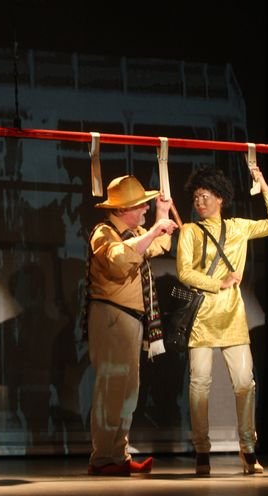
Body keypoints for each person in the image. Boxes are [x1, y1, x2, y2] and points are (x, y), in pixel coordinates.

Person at [176, 165, 268, 475]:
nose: (199, 202)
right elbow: (184, 272)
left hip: (232, 316)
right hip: (202, 316)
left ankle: (248, 448)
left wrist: (263, 183)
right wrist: (217, 282)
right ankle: (201, 449)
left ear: (220, 197)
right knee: (199, 384)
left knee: (245, 383)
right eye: (196, 197)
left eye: (205, 196)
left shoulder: (238, 227)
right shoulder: (190, 231)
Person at [85, 175, 177, 476]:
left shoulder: (134, 233)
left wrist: (162, 214)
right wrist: (152, 232)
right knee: (111, 389)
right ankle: (102, 459)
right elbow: (118, 261)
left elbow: (157, 245)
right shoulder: (104, 233)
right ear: (124, 209)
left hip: (130, 319)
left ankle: (118, 455)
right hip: (112, 317)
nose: (145, 209)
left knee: (127, 391)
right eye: (141, 205)